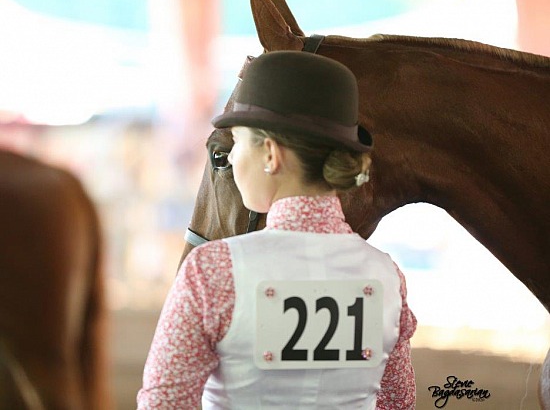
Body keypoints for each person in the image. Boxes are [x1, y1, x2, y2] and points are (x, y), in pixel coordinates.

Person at [137, 51, 416, 409]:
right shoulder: (387, 277)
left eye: (237, 142)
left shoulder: (212, 272)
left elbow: (164, 403)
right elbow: (398, 402)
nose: (232, 156)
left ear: (271, 154)